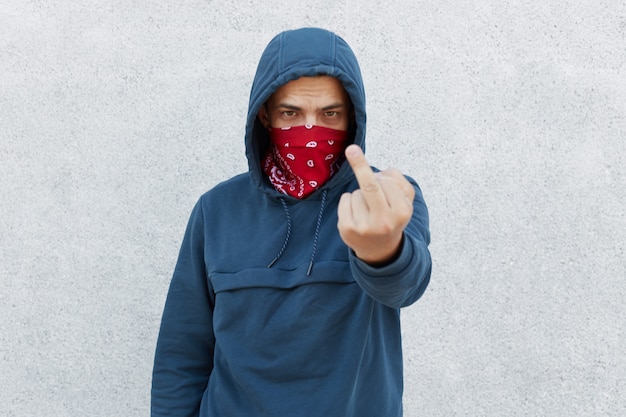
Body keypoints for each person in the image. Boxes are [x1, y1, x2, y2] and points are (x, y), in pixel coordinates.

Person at [151, 27, 432, 417]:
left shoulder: (385, 200)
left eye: (329, 114)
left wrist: (382, 252)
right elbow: (181, 352)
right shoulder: (216, 211)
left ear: (352, 116)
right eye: (291, 113)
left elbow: (407, 284)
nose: (310, 131)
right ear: (265, 114)